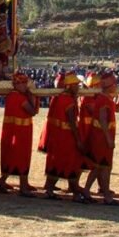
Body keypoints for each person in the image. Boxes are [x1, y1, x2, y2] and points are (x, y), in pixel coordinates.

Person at [42, 72, 85, 201]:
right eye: (76, 85)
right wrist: (78, 140)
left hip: (57, 135)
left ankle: (50, 189)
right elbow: (72, 122)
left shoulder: (59, 97)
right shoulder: (69, 101)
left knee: (56, 160)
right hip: (67, 136)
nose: (78, 87)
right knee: (71, 161)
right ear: (69, 86)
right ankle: (75, 192)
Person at [0, 72, 38, 197]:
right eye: (23, 83)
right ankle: (23, 187)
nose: (25, 86)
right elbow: (32, 111)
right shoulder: (19, 97)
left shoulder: (12, 95)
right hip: (20, 132)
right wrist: (31, 96)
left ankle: (2, 181)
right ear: (16, 85)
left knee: (13, 156)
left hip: (16, 130)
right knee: (21, 156)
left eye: (25, 83)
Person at [84, 71, 119, 205]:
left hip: (102, 136)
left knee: (103, 166)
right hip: (101, 137)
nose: (116, 86)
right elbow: (103, 120)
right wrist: (109, 139)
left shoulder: (105, 98)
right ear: (109, 86)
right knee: (100, 166)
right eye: (114, 84)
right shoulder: (103, 100)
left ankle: (104, 194)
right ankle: (92, 192)